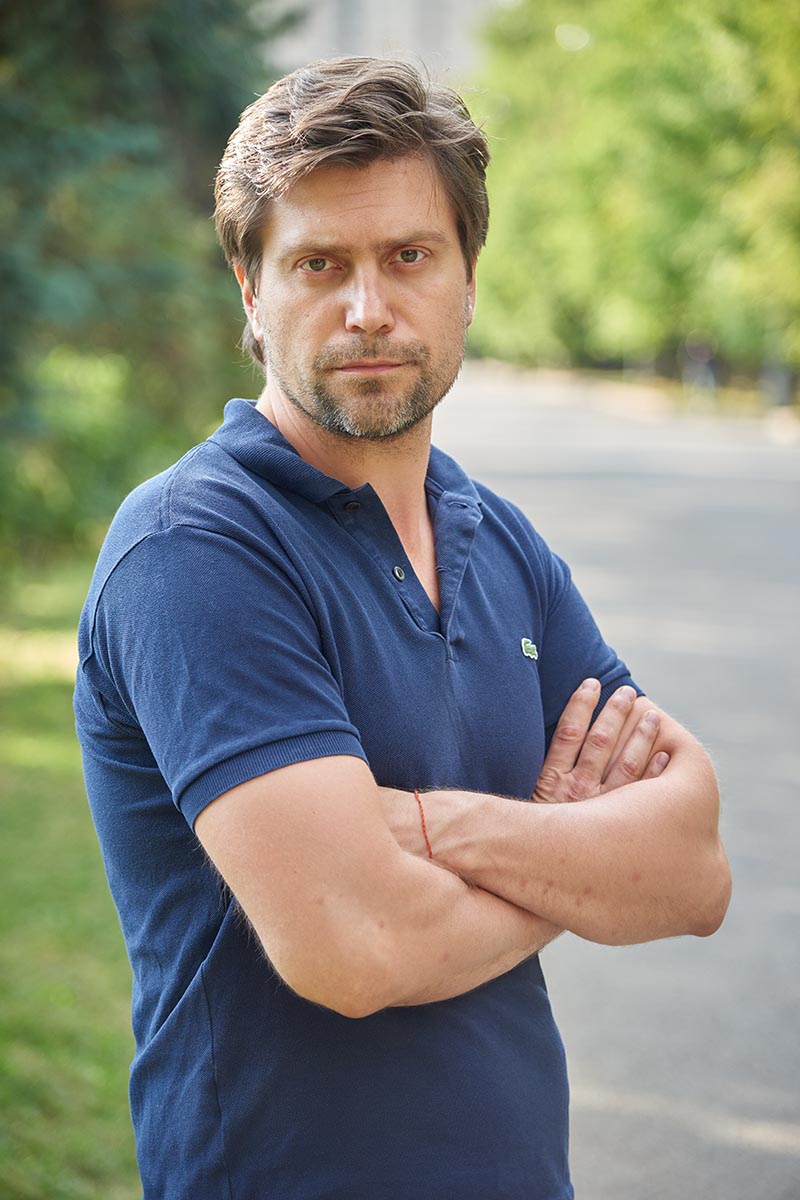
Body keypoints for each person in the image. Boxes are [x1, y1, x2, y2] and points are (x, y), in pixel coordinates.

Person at [74, 57, 731, 1200]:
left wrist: (432, 825)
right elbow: (354, 949)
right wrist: (565, 855)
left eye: (409, 257)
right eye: (319, 264)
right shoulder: (193, 550)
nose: (367, 308)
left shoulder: (497, 539)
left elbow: (689, 869)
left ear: (466, 279)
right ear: (250, 287)